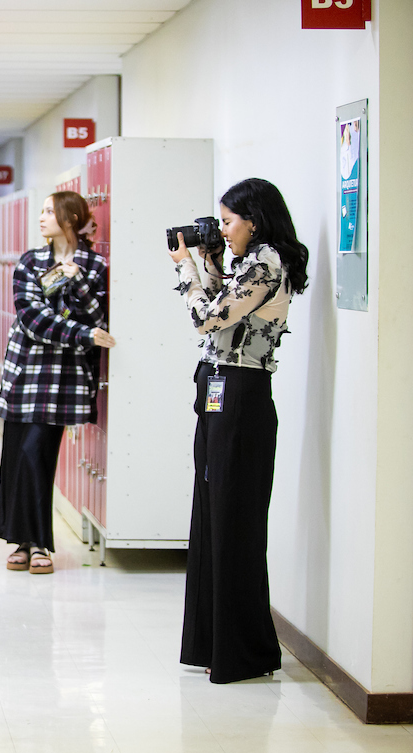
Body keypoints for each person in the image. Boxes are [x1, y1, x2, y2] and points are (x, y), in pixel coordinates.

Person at [169, 178, 307, 684]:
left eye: (228, 222)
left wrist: (187, 271)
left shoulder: (266, 262)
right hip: (218, 390)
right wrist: (202, 265)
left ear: (255, 219)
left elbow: (207, 319)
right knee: (212, 517)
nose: (223, 231)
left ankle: (242, 650)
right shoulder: (249, 263)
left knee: (234, 521)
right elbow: (219, 317)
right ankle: (213, 642)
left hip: (243, 399)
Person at [0, 191, 115, 576]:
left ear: (70, 218)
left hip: (62, 378)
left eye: (50, 211)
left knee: (38, 453)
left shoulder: (94, 265)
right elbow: (33, 319)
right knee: (17, 453)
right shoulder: (31, 261)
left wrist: (76, 283)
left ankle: (39, 541)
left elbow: (96, 313)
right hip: (25, 370)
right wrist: (83, 335)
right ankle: (22, 541)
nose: (42, 217)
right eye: (42, 210)